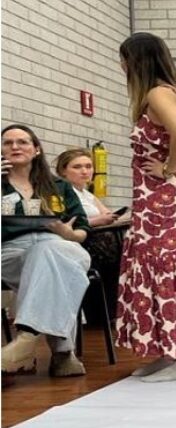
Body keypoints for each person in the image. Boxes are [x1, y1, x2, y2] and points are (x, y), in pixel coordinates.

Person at [115, 32, 176, 381]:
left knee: (163, 267)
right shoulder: (170, 93)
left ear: (135, 60)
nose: (121, 65)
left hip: (162, 202)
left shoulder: (157, 93)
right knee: (158, 268)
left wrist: (169, 169)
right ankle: (167, 349)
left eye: (124, 59)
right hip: (161, 199)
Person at [1, 124, 90, 377]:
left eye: (22, 142)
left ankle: (27, 339)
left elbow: (82, 230)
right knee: (55, 268)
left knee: (49, 252)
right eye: (8, 143)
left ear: (36, 149)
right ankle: (63, 353)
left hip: (64, 245)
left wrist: (67, 233)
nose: (15, 147)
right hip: (10, 251)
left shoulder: (59, 186)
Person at [55, 147, 129, 324]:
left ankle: (115, 309)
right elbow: (64, 222)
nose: (85, 171)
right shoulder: (61, 191)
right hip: (79, 242)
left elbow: (107, 215)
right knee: (109, 246)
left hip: (98, 240)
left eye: (88, 166)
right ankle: (101, 312)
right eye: (78, 167)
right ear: (63, 170)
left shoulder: (87, 194)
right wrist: (97, 221)